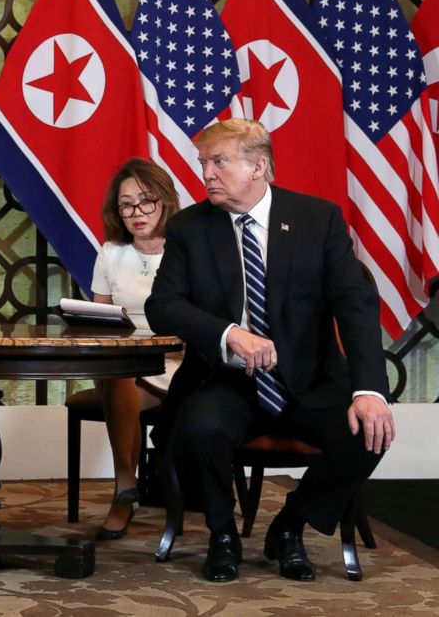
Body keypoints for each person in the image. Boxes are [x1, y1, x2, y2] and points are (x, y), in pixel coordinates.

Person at [145, 119, 395, 583]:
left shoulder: (317, 220)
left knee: (368, 429)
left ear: (259, 166)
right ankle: (222, 535)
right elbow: (163, 306)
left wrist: (369, 390)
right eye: (204, 163)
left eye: (219, 162)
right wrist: (227, 333)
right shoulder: (190, 227)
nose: (206, 174)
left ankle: (289, 526)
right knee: (198, 427)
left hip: (310, 381)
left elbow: (355, 307)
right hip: (228, 381)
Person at [89, 158, 180, 540]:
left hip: (176, 359)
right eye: (126, 205)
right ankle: (126, 477)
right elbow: (98, 319)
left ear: (164, 202)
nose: (136, 213)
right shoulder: (111, 253)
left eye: (145, 201)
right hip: (122, 360)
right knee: (116, 370)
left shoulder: (186, 248)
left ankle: (123, 490)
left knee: (118, 376)